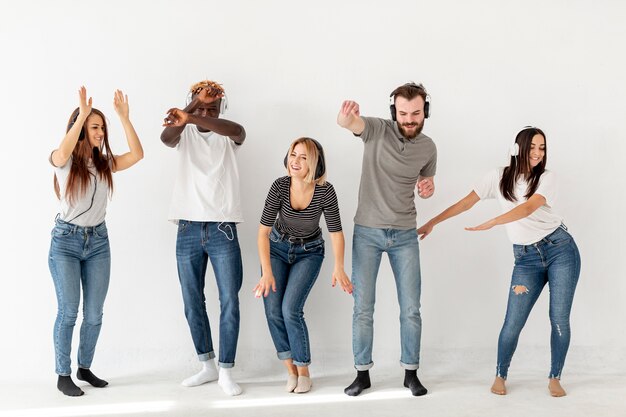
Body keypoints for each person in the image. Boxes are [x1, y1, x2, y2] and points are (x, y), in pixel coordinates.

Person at [417, 127, 581, 397]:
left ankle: (555, 376)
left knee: (559, 318)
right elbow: (465, 203)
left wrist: (494, 221)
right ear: (518, 149)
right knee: (512, 323)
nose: (538, 153)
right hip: (526, 260)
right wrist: (433, 222)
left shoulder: (548, 179)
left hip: (560, 251)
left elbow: (529, 207)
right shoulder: (497, 177)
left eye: (542, 148)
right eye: (532, 147)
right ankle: (500, 374)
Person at [336, 82, 437, 396]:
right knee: (363, 308)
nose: (409, 119)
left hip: (405, 234)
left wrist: (427, 187)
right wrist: (346, 117)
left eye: (416, 113)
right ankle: (362, 374)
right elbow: (351, 124)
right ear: (395, 111)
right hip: (367, 232)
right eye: (403, 113)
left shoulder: (428, 147)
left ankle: (411, 372)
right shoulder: (377, 130)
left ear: (425, 112)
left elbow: (427, 179)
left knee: (411, 309)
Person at [49, 86, 144, 396]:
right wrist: (82, 115)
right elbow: (63, 151)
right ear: (80, 130)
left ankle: (84, 367)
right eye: (94, 127)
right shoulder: (63, 162)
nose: (101, 132)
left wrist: (124, 118)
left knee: (95, 313)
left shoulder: (105, 164)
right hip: (66, 242)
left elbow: (138, 155)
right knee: (69, 312)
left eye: (102, 127)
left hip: (98, 243)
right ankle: (63, 374)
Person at [161, 80, 246, 396]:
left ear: (220, 109)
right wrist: (189, 111)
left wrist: (195, 113)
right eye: (201, 107)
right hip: (187, 228)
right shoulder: (183, 134)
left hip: (223, 227)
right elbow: (166, 137)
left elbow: (238, 130)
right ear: (192, 105)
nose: (206, 112)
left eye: (213, 108)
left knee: (229, 301)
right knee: (192, 301)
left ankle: (226, 370)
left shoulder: (227, 135)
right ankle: (207, 365)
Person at [253, 137, 353, 394]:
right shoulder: (279, 186)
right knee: (273, 309)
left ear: (315, 164)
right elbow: (263, 232)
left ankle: (304, 369)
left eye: (303, 157)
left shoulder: (325, 191)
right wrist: (266, 273)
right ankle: (290, 370)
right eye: (292, 155)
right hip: (276, 248)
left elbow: (336, 233)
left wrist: (339, 266)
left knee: (290, 310)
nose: (295, 161)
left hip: (309, 252)